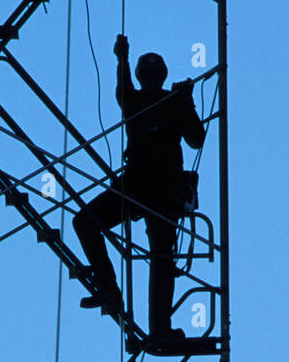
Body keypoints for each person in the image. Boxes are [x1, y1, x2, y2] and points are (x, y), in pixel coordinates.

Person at [73, 34, 205, 342]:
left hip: (145, 188)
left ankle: (114, 292)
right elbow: (197, 138)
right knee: (161, 256)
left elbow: (123, 91)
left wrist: (122, 58)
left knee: (89, 224)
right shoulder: (166, 101)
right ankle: (152, 322)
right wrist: (187, 99)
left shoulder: (143, 100)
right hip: (155, 189)